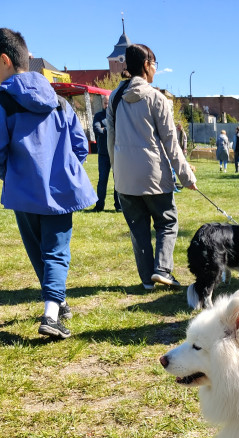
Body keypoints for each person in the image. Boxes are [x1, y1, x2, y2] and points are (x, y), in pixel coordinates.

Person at [0, 27, 97, 339]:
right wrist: (62, 170)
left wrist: (13, 175)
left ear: (4, 61)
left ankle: (57, 304)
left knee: (40, 251)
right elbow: (81, 146)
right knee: (56, 252)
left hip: (23, 193)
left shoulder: (3, 102)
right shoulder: (58, 101)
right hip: (60, 191)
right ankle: (53, 312)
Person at [107, 43, 197, 290]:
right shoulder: (157, 98)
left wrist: (117, 174)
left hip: (125, 177)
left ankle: (147, 280)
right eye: (154, 64)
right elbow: (172, 143)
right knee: (167, 222)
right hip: (154, 176)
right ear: (147, 65)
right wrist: (186, 176)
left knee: (138, 230)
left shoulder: (114, 98)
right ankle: (163, 269)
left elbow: (110, 140)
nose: (156, 69)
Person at [92, 95, 121, 213]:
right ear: (102, 104)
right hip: (103, 154)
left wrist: (105, 129)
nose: (106, 105)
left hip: (116, 153)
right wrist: (110, 130)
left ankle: (119, 206)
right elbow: (96, 129)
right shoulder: (98, 116)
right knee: (102, 180)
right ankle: (99, 206)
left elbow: (120, 131)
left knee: (118, 180)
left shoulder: (117, 115)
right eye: (104, 103)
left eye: (108, 103)